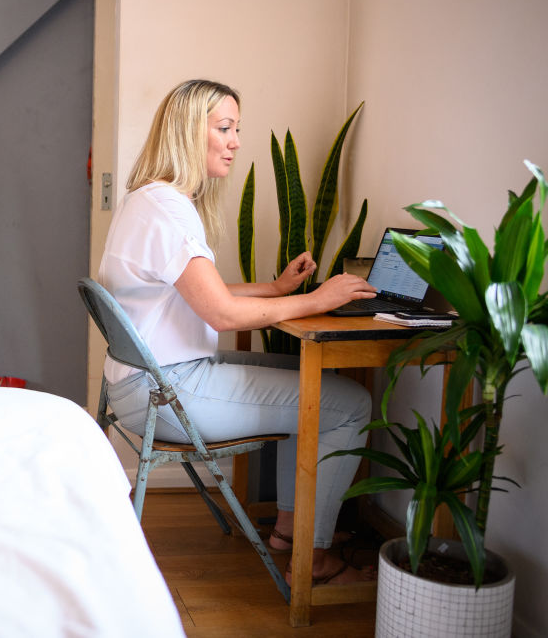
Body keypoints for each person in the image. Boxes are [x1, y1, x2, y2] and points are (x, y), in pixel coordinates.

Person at [99, 79, 377, 585]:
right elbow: (222, 316)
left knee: (307, 379)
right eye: (224, 128)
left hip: (142, 386)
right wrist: (319, 299)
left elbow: (200, 293)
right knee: (350, 405)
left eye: (237, 129)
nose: (235, 141)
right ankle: (308, 559)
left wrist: (274, 289)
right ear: (188, 132)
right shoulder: (170, 210)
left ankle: (290, 538)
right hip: (170, 392)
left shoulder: (147, 199)